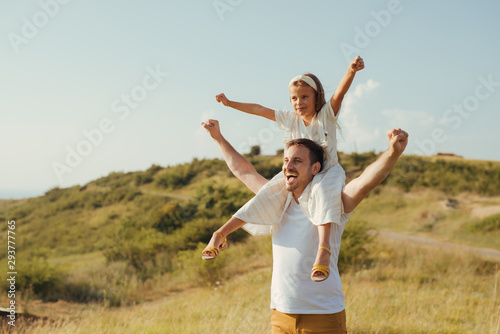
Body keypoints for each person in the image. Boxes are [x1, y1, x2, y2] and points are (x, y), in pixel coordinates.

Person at [200, 119, 408, 333]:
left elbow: (366, 181)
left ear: (315, 168)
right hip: (281, 314)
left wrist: (392, 153)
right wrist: (218, 138)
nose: (288, 166)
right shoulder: (277, 201)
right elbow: (244, 171)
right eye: (286, 160)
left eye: (297, 161)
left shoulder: (334, 202)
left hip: (323, 315)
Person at [204, 57, 365, 282]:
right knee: (267, 193)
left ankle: (324, 249)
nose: (298, 102)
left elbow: (340, 93)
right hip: (296, 173)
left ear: (316, 97)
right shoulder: (290, 119)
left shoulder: (325, 115)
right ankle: (220, 233)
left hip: (326, 172)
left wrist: (351, 70)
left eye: (304, 97)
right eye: (294, 98)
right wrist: (230, 103)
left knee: (322, 193)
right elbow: (259, 109)